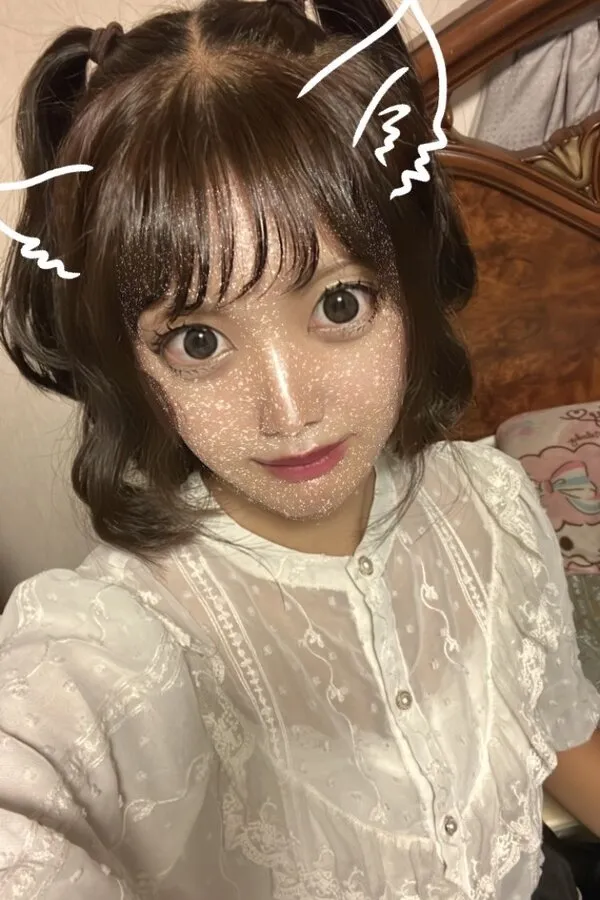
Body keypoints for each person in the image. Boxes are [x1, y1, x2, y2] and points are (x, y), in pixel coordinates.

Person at [0, 1, 599, 898]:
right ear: (128, 362)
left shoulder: (498, 505)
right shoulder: (112, 641)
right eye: (198, 341)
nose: (289, 413)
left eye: (339, 304)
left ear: (410, 284)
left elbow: (553, 726)